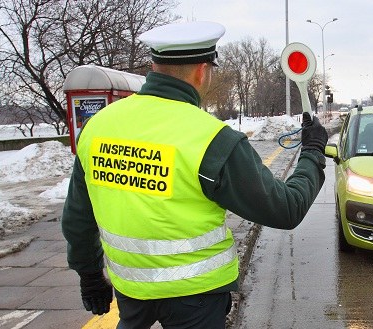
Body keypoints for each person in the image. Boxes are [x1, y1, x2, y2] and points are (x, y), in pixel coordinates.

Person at [61, 21, 328, 329]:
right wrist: (313, 152)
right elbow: (286, 208)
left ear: (154, 65)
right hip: (197, 297)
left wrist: (90, 277)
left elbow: (78, 218)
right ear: (202, 71)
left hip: (131, 290)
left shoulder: (97, 126)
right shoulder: (212, 138)